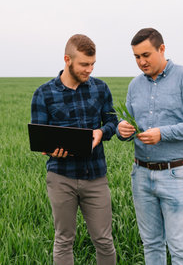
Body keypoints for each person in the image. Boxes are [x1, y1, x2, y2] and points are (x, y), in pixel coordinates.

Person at [117, 28, 183, 264]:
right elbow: (131, 124)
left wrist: (163, 133)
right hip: (141, 175)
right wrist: (123, 130)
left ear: (162, 49)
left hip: (176, 174)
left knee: (181, 251)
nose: (141, 62)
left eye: (146, 55)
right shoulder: (134, 85)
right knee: (151, 246)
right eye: (137, 57)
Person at [31, 34, 118, 264]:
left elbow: (112, 122)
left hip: (95, 176)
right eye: (84, 64)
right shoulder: (44, 94)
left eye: (92, 64)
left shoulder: (100, 89)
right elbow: (39, 136)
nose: (89, 70)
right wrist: (50, 150)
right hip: (61, 177)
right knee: (64, 239)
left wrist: (102, 132)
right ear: (67, 60)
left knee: (104, 240)